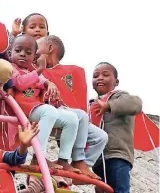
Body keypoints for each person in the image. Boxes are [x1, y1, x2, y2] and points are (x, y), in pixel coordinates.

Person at [36, 35, 108, 179]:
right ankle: (77, 159)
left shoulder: (72, 71)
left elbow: (79, 95)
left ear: (50, 49)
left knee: (101, 136)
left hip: (67, 114)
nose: (34, 51)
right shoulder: (34, 69)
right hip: (48, 114)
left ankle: (81, 166)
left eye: (36, 47)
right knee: (78, 115)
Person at [10, 34, 79, 171]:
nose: (23, 54)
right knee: (49, 111)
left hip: (36, 108)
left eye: (28, 53)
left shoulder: (32, 70)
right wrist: (40, 69)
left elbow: (42, 82)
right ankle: (38, 157)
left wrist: (49, 84)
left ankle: (64, 159)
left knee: (72, 118)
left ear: (34, 57)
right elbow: (19, 84)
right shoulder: (10, 67)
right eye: (18, 51)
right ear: (10, 52)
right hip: (23, 109)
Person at [90, 62, 142, 193]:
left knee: (120, 188)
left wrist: (108, 106)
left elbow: (136, 104)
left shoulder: (120, 96)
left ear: (116, 81)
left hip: (117, 155)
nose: (100, 77)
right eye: (96, 76)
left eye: (105, 75)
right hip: (97, 160)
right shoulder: (91, 104)